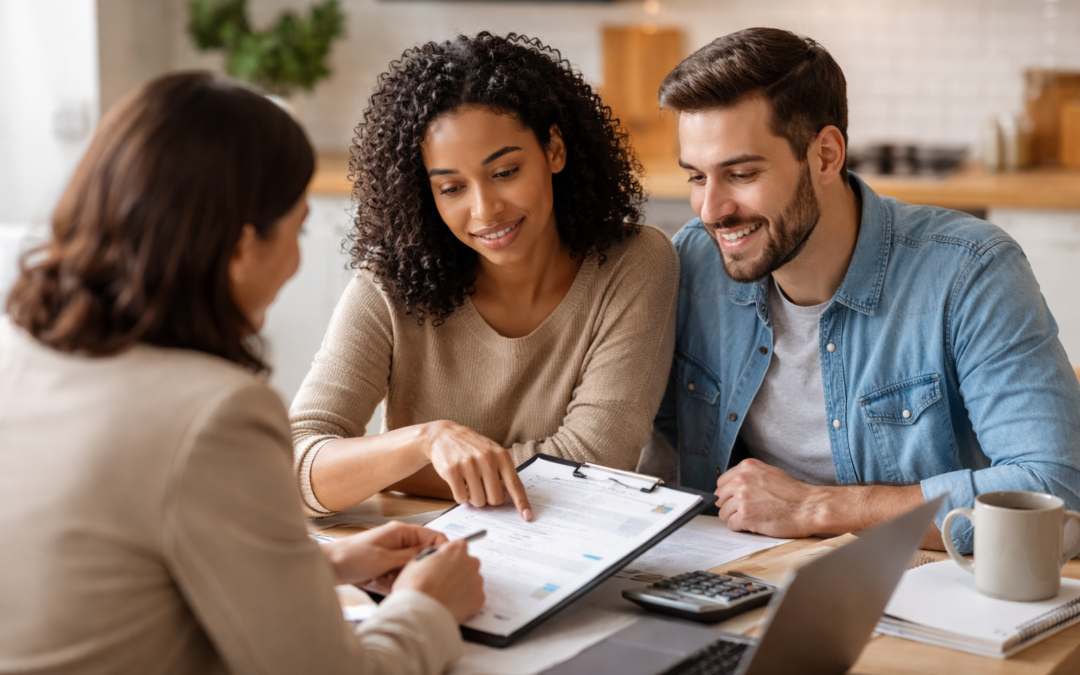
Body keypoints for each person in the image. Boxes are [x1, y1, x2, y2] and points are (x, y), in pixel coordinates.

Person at [0, 71, 484, 675]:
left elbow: (110, 575)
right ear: (238, 249)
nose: (297, 258)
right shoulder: (214, 414)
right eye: (299, 228)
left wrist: (315, 568)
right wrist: (426, 609)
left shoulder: (22, 350)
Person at [650, 27, 1080, 554]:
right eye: (696, 177)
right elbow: (658, 447)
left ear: (826, 156)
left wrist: (817, 508)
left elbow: (1057, 491)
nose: (711, 210)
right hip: (737, 575)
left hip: (916, 587)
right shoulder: (693, 261)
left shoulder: (970, 272)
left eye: (740, 173)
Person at [290, 32, 679, 519]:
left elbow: (593, 465)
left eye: (505, 172)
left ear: (554, 150)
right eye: (451, 187)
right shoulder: (388, 288)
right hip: (420, 554)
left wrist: (385, 464)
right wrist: (427, 440)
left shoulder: (634, 262)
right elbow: (292, 464)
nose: (484, 210)